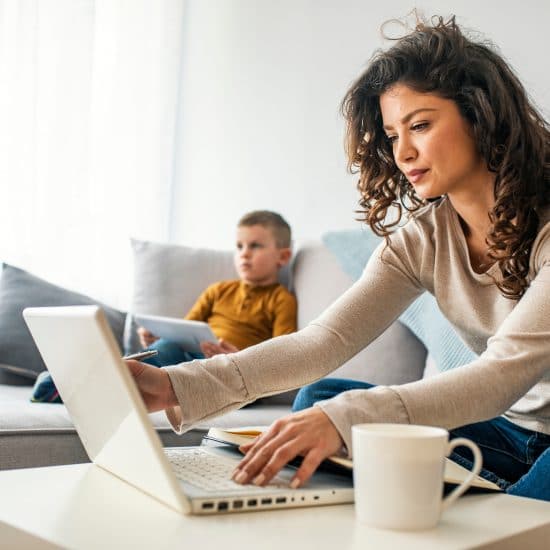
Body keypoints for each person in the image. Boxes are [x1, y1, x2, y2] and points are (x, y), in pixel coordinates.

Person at [125, 16, 550, 501]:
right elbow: (324, 341)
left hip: (522, 419)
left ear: (480, 115)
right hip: (509, 432)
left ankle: (494, 497)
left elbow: (500, 376)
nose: (403, 152)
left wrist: (346, 420)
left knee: (343, 420)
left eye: (421, 125)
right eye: (392, 135)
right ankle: (481, 492)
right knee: (320, 401)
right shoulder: (422, 240)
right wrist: (176, 385)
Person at [137, 210, 297, 366]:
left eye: (255, 246)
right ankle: (129, 375)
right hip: (189, 355)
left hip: (231, 367)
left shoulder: (282, 300)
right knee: (165, 346)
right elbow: (184, 331)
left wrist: (238, 360)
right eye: (239, 246)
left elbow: (281, 358)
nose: (244, 254)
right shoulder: (219, 290)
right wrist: (156, 338)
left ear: (283, 257)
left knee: (207, 367)